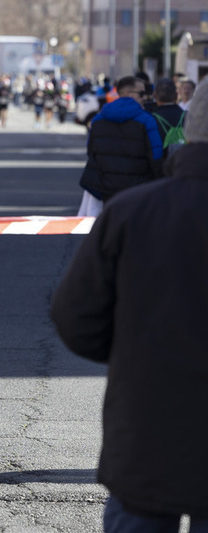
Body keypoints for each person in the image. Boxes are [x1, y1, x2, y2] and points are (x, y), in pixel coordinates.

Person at [51, 85, 208, 533]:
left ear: (188, 132)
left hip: (146, 436)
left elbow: (75, 317)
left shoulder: (130, 213)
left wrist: (134, 351)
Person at [77, 75, 163, 216]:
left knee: (112, 229)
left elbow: (91, 151)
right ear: (128, 94)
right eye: (142, 93)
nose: (145, 97)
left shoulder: (98, 120)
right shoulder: (147, 120)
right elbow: (156, 156)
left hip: (106, 186)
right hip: (138, 187)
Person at [151, 78, 186, 157]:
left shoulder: (150, 119)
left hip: (160, 165)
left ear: (154, 96)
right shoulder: (189, 117)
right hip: (184, 165)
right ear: (176, 95)